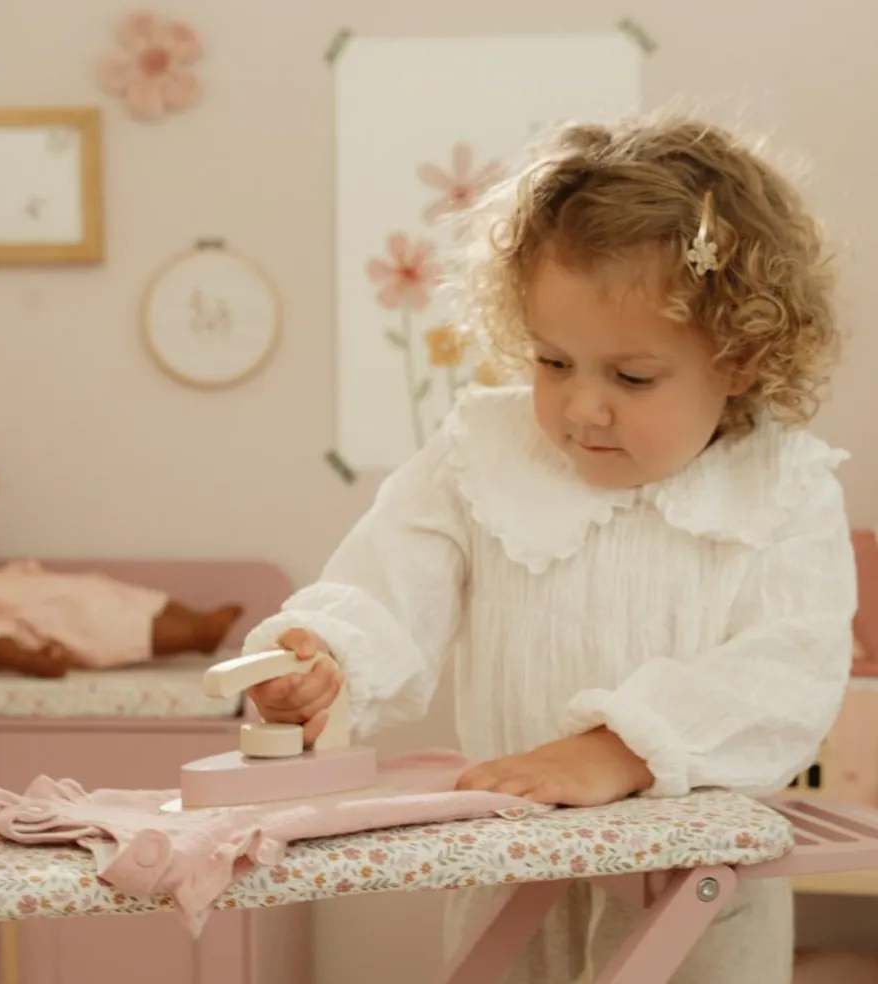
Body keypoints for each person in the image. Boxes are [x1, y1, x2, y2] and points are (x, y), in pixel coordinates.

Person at [240, 115, 857, 983]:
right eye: (553, 362)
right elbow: (386, 584)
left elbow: (789, 672)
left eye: (632, 377)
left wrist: (621, 750)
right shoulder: (479, 456)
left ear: (744, 358)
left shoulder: (783, 488)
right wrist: (322, 664)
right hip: (511, 864)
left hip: (695, 893)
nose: (581, 409)